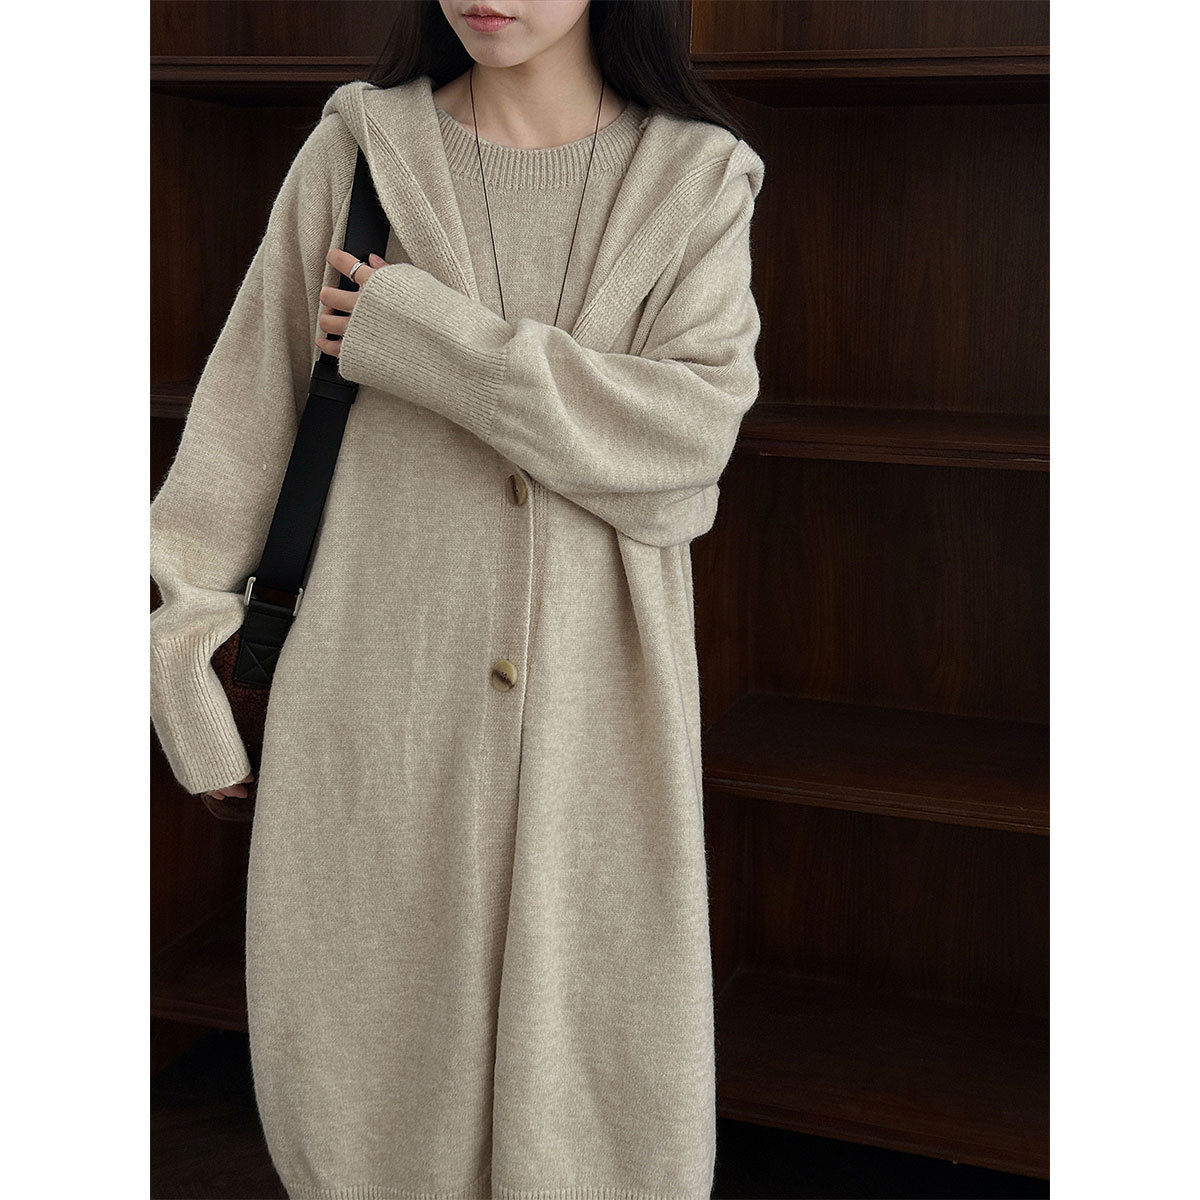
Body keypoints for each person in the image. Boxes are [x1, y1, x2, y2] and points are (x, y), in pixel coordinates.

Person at [149, 1, 766, 1196]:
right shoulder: (360, 152)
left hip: (597, 723)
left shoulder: (696, 179)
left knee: (595, 1092)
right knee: (363, 1086)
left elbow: (687, 447)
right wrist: (184, 676)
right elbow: (237, 431)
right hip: (371, 703)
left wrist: (426, 340)